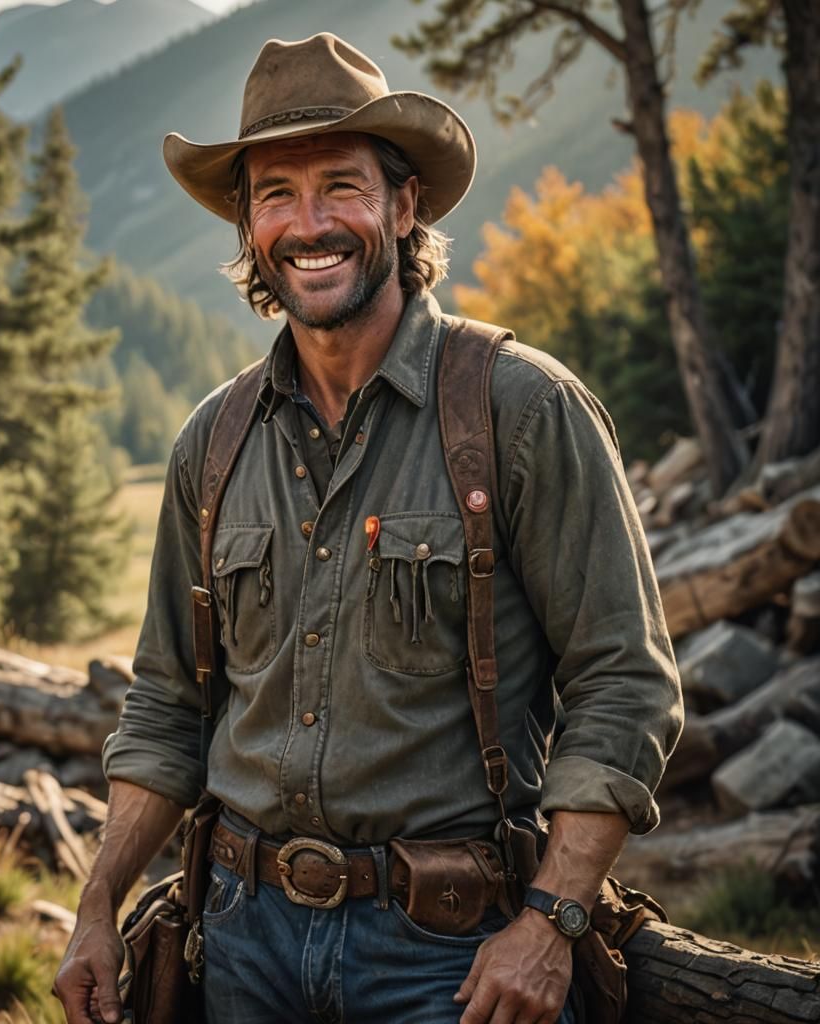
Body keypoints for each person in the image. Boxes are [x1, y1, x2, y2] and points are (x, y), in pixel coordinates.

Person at [54, 32, 682, 1024]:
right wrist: (97, 904)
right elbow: (168, 703)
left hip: (452, 956)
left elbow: (623, 680)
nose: (308, 224)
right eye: (274, 194)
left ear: (404, 203)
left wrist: (549, 921)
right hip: (240, 940)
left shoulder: (518, 413)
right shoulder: (210, 445)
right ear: (248, 225)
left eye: (339, 186)